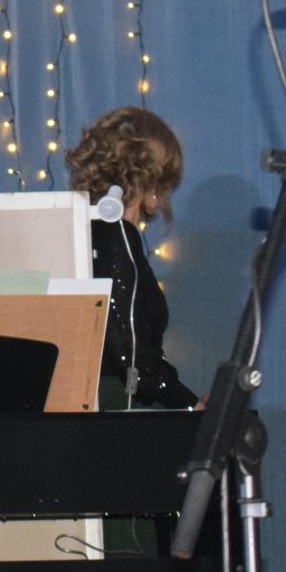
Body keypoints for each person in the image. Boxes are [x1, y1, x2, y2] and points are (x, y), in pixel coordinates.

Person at [64, 106, 200, 411]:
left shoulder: (80, 232)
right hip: (110, 410)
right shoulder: (117, 236)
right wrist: (189, 406)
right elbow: (132, 355)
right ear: (152, 180)